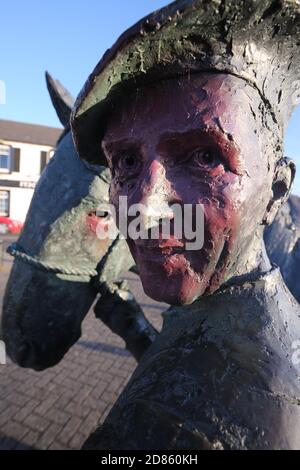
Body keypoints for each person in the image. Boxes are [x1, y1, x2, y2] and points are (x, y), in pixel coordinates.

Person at [71, 0, 300, 449]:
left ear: (274, 191)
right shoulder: (234, 304)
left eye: (204, 156)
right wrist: (133, 328)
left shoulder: (169, 426)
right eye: (127, 162)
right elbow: (189, 354)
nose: (143, 207)